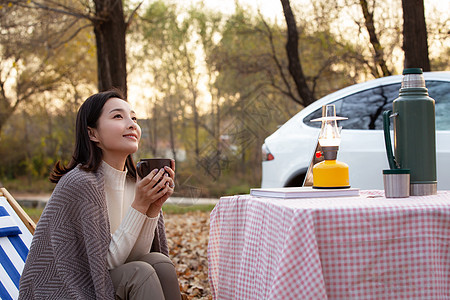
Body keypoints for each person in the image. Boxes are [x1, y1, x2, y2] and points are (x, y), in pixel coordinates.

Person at [19, 89, 182, 300]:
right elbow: (101, 267)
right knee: (140, 273)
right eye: (118, 116)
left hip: (113, 280)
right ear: (92, 133)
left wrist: (153, 207)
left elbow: (136, 256)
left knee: (159, 263)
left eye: (134, 118)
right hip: (71, 289)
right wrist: (140, 205)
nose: (132, 124)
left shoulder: (135, 181)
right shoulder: (80, 183)